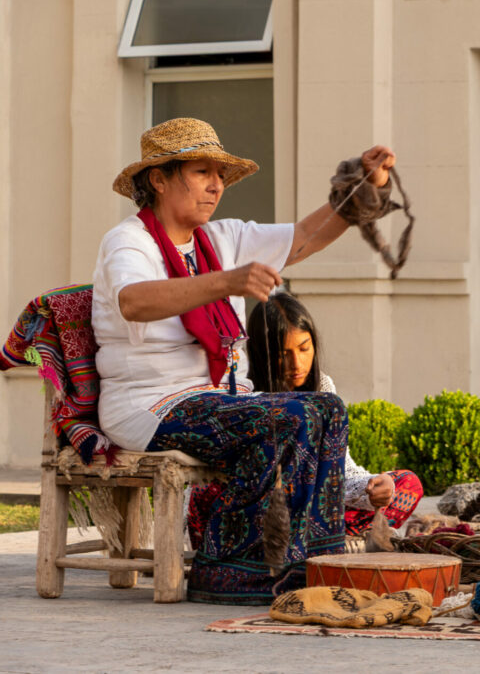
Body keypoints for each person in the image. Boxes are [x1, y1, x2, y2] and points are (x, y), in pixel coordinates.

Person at [92, 117, 396, 604]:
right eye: (201, 172)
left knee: (327, 408)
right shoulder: (129, 241)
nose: (216, 185)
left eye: (220, 175)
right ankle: (227, 571)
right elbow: (134, 301)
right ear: (159, 179)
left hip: (219, 398)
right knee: (291, 416)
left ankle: (314, 560)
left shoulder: (222, 238)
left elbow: (306, 236)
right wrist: (226, 282)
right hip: (149, 407)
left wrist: (361, 186)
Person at [187, 291, 423, 547]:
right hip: (258, 512)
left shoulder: (323, 388)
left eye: (304, 348)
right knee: (204, 493)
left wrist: (373, 486)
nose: (297, 364)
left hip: (314, 510)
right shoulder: (242, 390)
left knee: (406, 484)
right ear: (263, 353)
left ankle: (318, 540)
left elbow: (340, 470)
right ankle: (309, 543)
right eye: (283, 353)